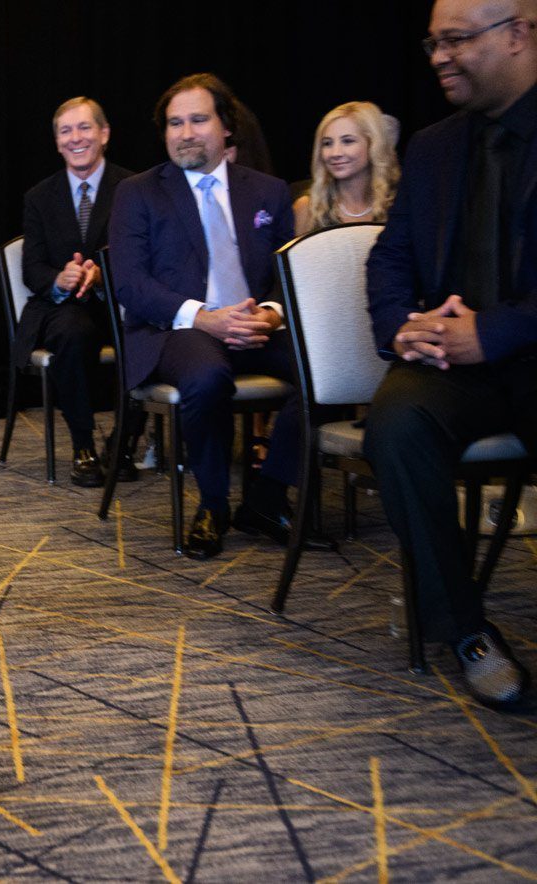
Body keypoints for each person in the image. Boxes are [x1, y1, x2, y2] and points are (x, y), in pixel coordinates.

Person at [363, 0, 537, 707]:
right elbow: (388, 259)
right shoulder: (433, 147)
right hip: (446, 366)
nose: (438, 56)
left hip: (527, 351)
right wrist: (403, 325)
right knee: (397, 423)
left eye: (456, 40)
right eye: (432, 42)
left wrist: (492, 334)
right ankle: (463, 628)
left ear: (519, 34)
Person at [109, 73, 298, 559]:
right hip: (176, 328)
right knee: (208, 377)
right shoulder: (139, 192)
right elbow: (131, 284)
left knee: (329, 372)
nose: (185, 133)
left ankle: (267, 497)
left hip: (254, 324)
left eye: (197, 119)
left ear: (227, 127)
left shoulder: (269, 192)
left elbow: (286, 274)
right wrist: (203, 317)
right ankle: (213, 504)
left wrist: (273, 314)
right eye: (175, 123)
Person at [17, 97, 138, 486]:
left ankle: (123, 444)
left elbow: (146, 256)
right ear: (56, 142)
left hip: (120, 301)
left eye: (84, 127)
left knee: (148, 333)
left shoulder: (134, 188)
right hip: (66, 309)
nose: (75, 138)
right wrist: (59, 279)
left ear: (104, 134)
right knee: (72, 331)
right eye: (65, 131)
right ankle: (83, 446)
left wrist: (103, 275)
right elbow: (31, 267)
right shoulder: (39, 197)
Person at [294, 101, 401, 235]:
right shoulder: (307, 209)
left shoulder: (398, 204)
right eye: (327, 143)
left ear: (373, 145)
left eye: (348, 141)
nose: (335, 153)